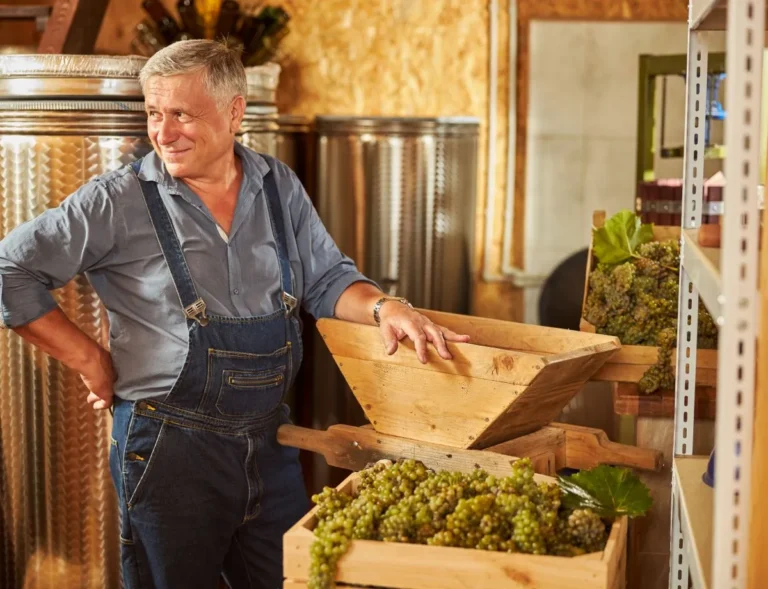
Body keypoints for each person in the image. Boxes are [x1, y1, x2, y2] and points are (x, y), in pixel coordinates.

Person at [0, 40, 469, 589]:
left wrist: (388, 308)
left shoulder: (277, 185)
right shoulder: (115, 200)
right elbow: (10, 269)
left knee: (294, 579)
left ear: (234, 111)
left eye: (181, 114)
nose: (163, 132)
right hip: (169, 453)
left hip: (270, 441)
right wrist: (88, 359)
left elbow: (326, 279)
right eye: (154, 113)